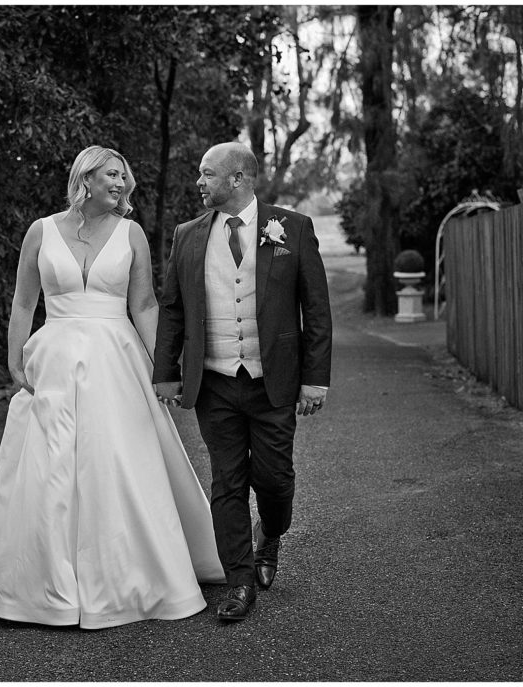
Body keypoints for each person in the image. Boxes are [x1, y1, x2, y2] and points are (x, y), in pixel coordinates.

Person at [0, 146, 225, 630]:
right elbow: (24, 303)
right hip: (55, 359)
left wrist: (164, 366)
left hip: (116, 359)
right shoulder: (40, 231)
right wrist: (13, 356)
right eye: (112, 174)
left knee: (118, 463)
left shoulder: (132, 235)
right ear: (85, 177)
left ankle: (128, 579)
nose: (122, 183)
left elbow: (145, 305)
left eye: (124, 177)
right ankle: (36, 586)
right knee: (48, 468)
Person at [153, 142, 332, 622]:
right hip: (214, 382)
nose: (199, 182)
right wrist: (166, 371)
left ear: (237, 179)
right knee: (227, 482)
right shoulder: (187, 235)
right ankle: (239, 581)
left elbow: (315, 308)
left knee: (274, 479)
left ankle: (270, 534)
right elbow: (172, 308)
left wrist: (315, 380)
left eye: (207, 174)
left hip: (272, 380)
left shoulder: (291, 227)